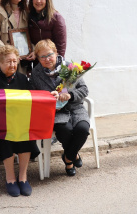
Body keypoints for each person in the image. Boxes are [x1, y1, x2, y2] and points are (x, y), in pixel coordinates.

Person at [0, 45, 53, 197]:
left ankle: (23, 177)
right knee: (6, 137)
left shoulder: (21, 78)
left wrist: (50, 97)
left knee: (26, 135)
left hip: (19, 124)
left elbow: (33, 97)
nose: (13, 65)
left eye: (15, 61)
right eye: (8, 62)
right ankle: (10, 179)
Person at [30, 39, 90, 176]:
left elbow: (84, 90)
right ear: (38, 58)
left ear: (56, 53)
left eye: (50, 54)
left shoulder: (70, 67)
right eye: (42, 57)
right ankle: (72, 158)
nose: (47, 59)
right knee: (65, 130)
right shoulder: (36, 73)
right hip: (54, 112)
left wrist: (69, 94)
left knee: (83, 129)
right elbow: (33, 95)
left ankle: (68, 157)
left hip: (75, 108)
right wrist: (48, 102)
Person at [28, 0, 67, 65]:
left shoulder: (56, 18)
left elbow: (61, 47)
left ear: (47, 0)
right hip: (37, 64)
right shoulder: (29, 17)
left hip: (52, 63)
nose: (38, 1)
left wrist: (57, 66)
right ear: (32, 0)